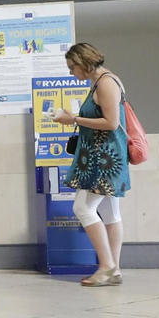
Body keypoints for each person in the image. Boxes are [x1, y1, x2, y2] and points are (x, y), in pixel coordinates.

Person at [55, 42, 130, 286]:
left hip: (104, 160)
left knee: (83, 208)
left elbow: (110, 122)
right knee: (110, 213)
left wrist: (73, 119)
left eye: (72, 67)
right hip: (104, 157)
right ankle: (114, 270)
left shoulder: (106, 82)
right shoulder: (101, 82)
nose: (71, 73)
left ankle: (107, 267)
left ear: (83, 62)